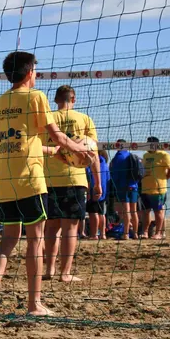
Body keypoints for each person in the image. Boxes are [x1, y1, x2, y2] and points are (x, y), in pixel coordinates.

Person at [0, 52, 88, 316]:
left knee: (7, 240)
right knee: (34, 241)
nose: (36, 75)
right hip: (30, 180)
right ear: (30, 73)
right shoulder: (36, 96)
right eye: (36, 71)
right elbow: (58, 136)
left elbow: (23, 142)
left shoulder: (0, 101)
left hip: (5, 181)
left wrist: (56, 153)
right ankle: (34, 304)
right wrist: (81, 150)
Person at [41, 85, 101, 282]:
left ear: (56, 99)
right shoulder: (84, 119)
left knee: (51, 228)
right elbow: (93, 153)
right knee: (70, 228)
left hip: (48, 179)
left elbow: (39, 147)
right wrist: (97, 182)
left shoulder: (47, 117)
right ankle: (65, 273)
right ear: (73, 99)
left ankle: (49, 269)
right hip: (75, 179)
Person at [140, 137, 170, 240]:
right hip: (145, 188)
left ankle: (158, 233)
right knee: (145, 212)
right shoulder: (145, 155)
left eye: (149, 144)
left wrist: (164, 179)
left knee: (158, 211)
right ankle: (145, 232)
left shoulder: (164, 155)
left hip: (158, 189)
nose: (147, 146)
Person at [109, 139, 143, 240]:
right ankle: (136, 233)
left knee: (126, 211)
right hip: (134, 186)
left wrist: (113, 186)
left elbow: (114, 174)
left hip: (123, 187)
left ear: (118, 145)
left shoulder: (118, 157)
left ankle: (126, 233)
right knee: (134, 211)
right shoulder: (130, 155)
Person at [86, 150, 110, 240]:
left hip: (94, 191)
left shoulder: (91, 164)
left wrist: (88, 192)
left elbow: (88, 178)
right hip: (103, 192)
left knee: (93, 213)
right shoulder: (105, 165)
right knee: (102, 213)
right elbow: (108, 179)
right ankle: (103, 234)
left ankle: (94, 234)